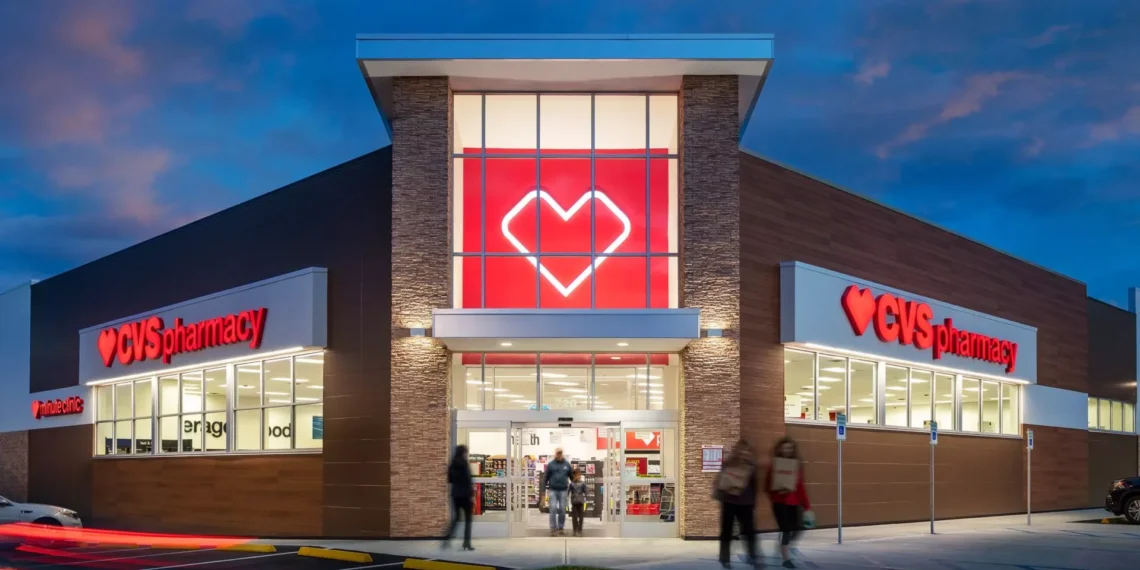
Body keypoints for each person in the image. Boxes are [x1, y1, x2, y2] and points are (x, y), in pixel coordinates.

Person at [766, 437, 812, 569]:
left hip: (794, 502)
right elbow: (767, 486)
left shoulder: (796, 466)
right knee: (786, 530)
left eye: (790, 448)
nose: (787, 450)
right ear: (780, 449)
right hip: (780, 503)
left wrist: (807, 506)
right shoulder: (774, 465)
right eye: (784, 447)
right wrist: (776, 494)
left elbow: (800, 487)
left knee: (798, 528)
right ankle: (786, 559)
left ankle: (783, 545)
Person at [714, 439, 759, 569]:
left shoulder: (751, 466)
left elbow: (755, 485)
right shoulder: (728, 463)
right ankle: (725, 558)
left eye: (747, 450)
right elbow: (720, 480)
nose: (744, 453)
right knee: (726, 531)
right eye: (741, 450)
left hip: (746, 503)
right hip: (729, 501)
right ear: (737, 450)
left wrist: (753, 503)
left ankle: (753, 556)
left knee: (749, 531)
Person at [444, 445, 475, 551]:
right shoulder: (464, 463)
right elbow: (468, 480)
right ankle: (467, 542)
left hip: (456, 495)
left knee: (457, 518)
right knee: (468, 520)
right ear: (463, 453)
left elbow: (450, 480)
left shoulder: (452, 464)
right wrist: (471, 495)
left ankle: (447, 538)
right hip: (465, 495)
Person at [542, 447, 573, 536]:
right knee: (553, 508)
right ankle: (553, 528)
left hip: (563, 490)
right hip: (553, 491)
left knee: (562, 509)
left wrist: (577, 486)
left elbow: (571, 477)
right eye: (558, 453)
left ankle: (561, 527)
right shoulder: (551, 465)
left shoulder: (567, 464)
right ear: (555, 454)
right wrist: (543, 493)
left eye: (560, 453)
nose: (559, 454)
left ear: (562, 453)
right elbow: (545, 479)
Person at [569, 468, 588, 536]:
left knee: (581, 517)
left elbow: (586, 492)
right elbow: (568, 492)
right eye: (576, 475)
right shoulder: (571, 484)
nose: (578, 476)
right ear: (573, 476)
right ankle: (575, 529)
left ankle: (579, 529)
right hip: (574, 502)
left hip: (581, 502)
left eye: (579, 475)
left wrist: (586, 497)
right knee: (574, 517)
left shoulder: (583, 484)